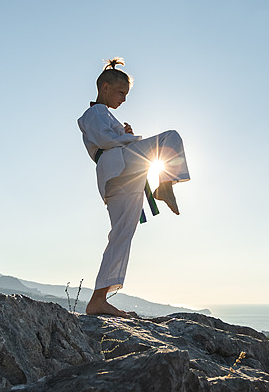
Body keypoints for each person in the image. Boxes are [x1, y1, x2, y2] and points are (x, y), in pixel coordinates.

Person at [78, 58, 190, 317]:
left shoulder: (104, 115)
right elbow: (105, 139)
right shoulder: (93, 113)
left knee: (121, 235)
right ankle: (164, 185)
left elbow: (110, 137)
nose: (124, 99)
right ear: (105, 87)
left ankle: (98, 300)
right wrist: (128, 136)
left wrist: (123, 133)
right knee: (170, 138)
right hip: (117, 165)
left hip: (119, 176)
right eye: (121, 92)